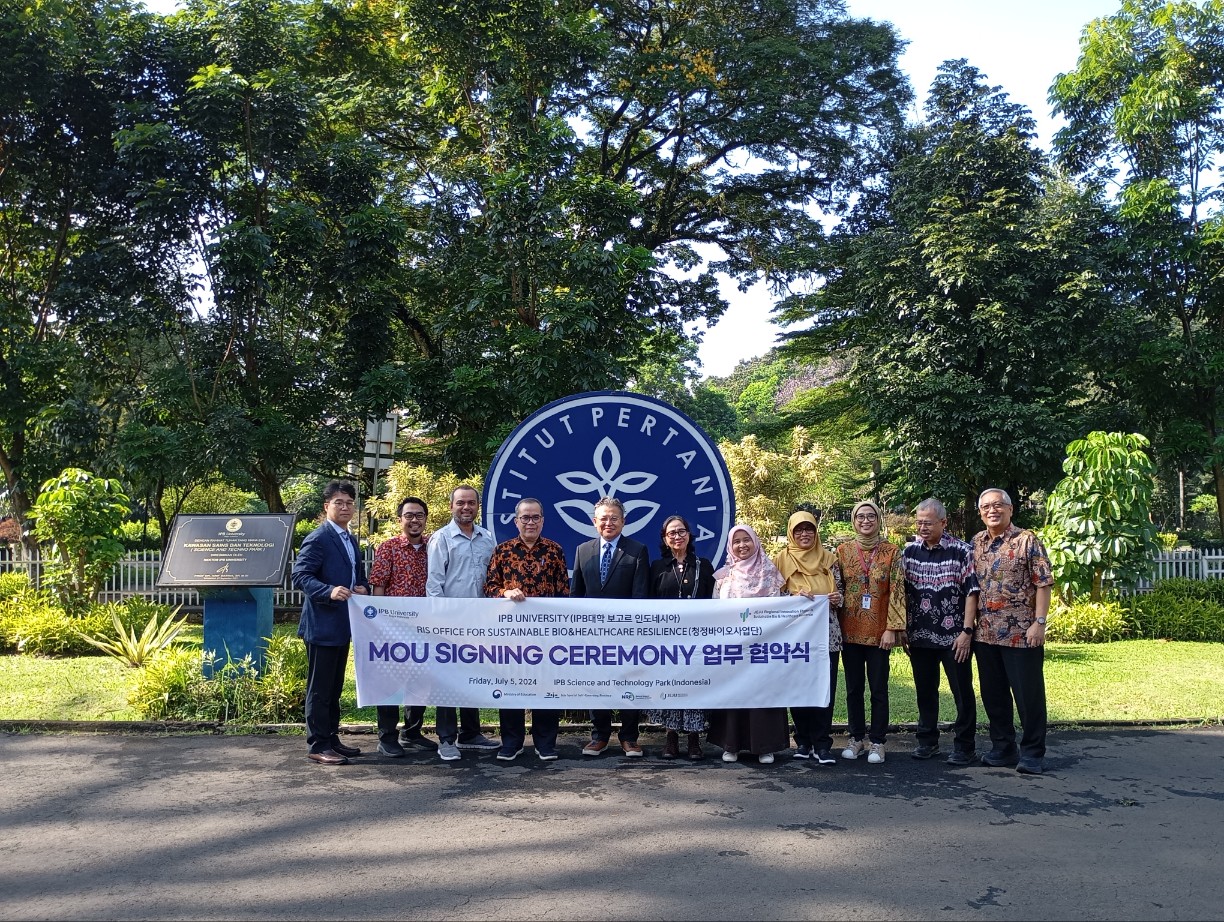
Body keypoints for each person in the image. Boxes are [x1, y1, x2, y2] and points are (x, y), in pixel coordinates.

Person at [972, 488, 1054, 775]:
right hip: (985, 634)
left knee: (1028, 695)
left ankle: (1032, 752)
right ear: (980, 512)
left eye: (997, 505)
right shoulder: (977, 542)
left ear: (1010, 509)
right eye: (985, 507)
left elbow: (1043, 582)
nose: (991, 511)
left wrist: (1039, 622)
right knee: (993, 695)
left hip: (1021, 632)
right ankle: (1003, 747)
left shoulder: (1026, 540)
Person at [484, 498, 570, 762]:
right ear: (516, 520)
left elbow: (564, 593)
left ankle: (545, 743)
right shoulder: (502, 551)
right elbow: (488, 588)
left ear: (542, 520)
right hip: (511, 635)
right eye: (525, 518)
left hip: (546, 635)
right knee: (511, 687)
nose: (530, 522)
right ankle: (511, 742)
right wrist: (505, 592)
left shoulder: (555, 551)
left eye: (535, 518)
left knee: (547, 686)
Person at [292, 480, 369, 766]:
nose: (346, 507)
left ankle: (332, 738)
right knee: (320, 688)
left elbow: (355, 576)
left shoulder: (350, 538)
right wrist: (329, 591)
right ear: (327, 507)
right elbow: (301, 576)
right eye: (339, 502)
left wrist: (361, 587)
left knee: (334, 688)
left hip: (343, 625)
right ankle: (318, 744)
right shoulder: (319, 537)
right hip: (322, 625)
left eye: (350, 502)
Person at [901, 498, 980, 765]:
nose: (923, 527)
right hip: (919, 635)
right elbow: (901, 593)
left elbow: (972, 592)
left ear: (943, 522)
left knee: (962, 692)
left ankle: (965, 746)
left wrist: (967, 631)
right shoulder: (909, 551)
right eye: (919, 522)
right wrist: (903, 628)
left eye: (928, 522)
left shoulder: (962, 551)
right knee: (925, 691)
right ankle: (927, 741)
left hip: (954, 637)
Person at [571, 496, 650, 757]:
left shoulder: (637, 550)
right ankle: (600, 736)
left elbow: (640, 596)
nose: (609, 522)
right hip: (593, 635)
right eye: (603, 518)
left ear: (623, 521)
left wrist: (632, 629)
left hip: (627, 634)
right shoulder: (583, 550)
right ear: (595, 522)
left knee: (630, 684)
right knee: (597, 684)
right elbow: (576, 596)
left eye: (614, 518)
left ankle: (629, 737)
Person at [426, 484, 500, 761]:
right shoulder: (441, 539)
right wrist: (442, 623)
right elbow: (434, 585)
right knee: (447, 680)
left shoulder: (487, 538)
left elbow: (493, 579)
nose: (466, 507)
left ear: (477, 506)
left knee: (472, 677)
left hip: (480, 622)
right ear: (451, 506)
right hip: (450, 622)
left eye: (471, 503)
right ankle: (446, 738)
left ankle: (471, 733)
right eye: (460, 503)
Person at [707, 524, 791, 765]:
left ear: (755, 542)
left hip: (762, 647)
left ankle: (766, 746)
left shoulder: (771, 573)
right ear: (730, 547)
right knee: (734, 694)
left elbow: (779, 609)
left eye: (747, 540)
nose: (742, 545)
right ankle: (730, 745)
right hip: (733, 647)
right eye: (737, 542)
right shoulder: (724, 577)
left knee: (763, 695)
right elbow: (715, 611)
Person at [834, 499, 905, 764]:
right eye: (860, 516)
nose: (865, 521)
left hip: (879, 634)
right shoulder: (842, 551)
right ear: (853, 521)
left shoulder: (891, 552)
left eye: (870, 516)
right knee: (853, 689)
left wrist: (892, 629)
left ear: (878, 520)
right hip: (849, 631)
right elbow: (837, 589)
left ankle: (877, 741)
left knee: (878, 689)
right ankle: (855, 738)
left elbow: (898, 591)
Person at [773, 510, 844, 766]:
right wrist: (792, 600)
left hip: (827, 635)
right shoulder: (780, 560)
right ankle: (803, 741)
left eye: (809, 529)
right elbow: (771, 599)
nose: (805, 534)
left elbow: (842, 594)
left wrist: (837, 599)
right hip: (795, 638)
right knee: (798, 688)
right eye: (799, 530)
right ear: (791, 532)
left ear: (816, 532)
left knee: (825, 688)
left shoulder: (829, 559)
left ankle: (823, 744)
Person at [368, 496, 437, 758]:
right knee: (389, 681)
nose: (414, 520)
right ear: (400, 520)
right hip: (393, 627)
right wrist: (378, 623)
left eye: (419, 515)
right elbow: (379, 586)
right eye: (409, 515)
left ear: (426, 519)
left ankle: (412, 732)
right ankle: (387, 736)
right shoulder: (389, 548)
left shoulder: (434, 547)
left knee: (420, 681)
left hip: (425, 626)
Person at [646, 514, 716, 761]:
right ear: (665, 539)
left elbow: (714, 602)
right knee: (670, 688)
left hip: (696, 641)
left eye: (681, 531)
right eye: (671, 533)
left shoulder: (703, 566)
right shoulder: (656, 567)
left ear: (689, 535)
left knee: (694, 687)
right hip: (665, 642)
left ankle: (695, 740)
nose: (677, 536)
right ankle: (671, 737)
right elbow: (648, 604)